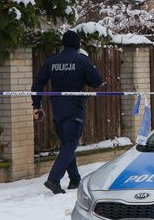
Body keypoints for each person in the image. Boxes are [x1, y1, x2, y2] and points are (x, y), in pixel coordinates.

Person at [32, 30, 104, 194]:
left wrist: (36, 105)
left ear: (63, 44)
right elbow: (97, 82)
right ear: (78, 44)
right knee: (71, 142)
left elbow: (38, 83)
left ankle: (74, 178)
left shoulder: (52, 61)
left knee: (67, 144)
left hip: (57, 108)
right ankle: (54, 179)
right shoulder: (81, 60)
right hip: (74, 108)